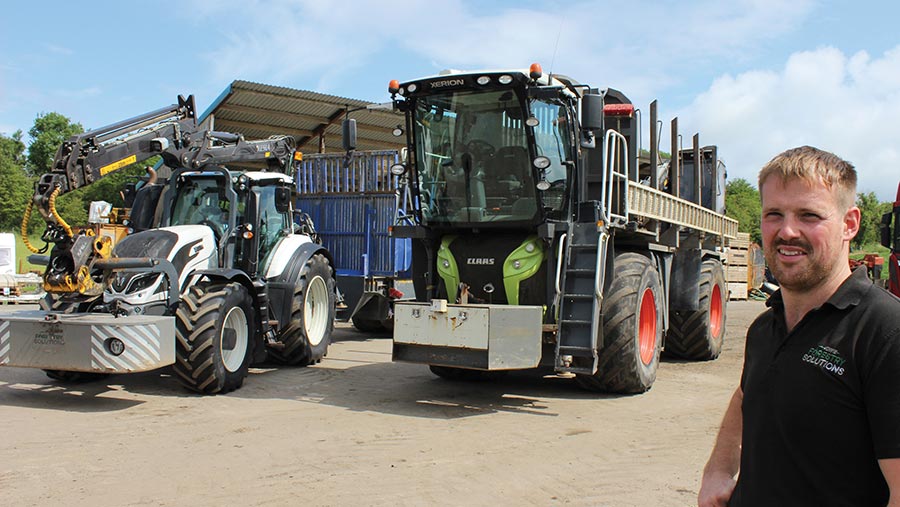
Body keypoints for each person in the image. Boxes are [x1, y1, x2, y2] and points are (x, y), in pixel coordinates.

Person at [698, 146, 900, 507]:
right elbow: (748, 394)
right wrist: (717, 469)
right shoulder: (765, 326)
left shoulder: (884, 332)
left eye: (809, 215)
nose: (787, 231)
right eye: (774, 214)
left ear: (849, 224)